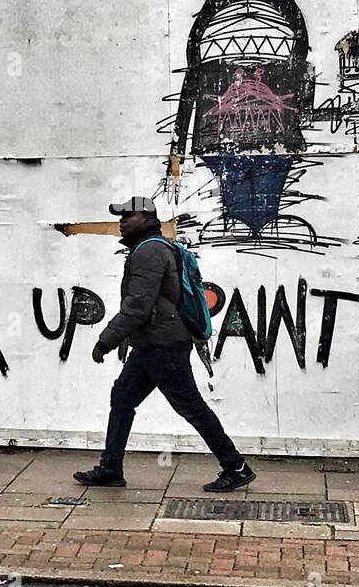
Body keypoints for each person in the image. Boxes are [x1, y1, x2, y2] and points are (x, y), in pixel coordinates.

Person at [73, 196, 256, 493]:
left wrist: (105, 341)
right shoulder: (151, 248)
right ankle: (110, 467)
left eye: (128, 216)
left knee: (191, 407)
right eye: (121, 217)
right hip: (151, 345)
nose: (122, 221)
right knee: (122, 399)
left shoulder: (150, 252)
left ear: (147, 218)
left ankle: (236, 467)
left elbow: (138, 306)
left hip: (164, 346)